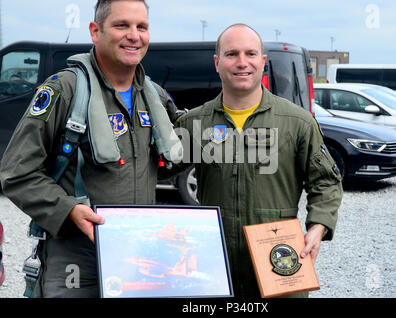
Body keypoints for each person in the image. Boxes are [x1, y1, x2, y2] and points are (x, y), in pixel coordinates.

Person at [0, 0, 179, 297]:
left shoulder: (155, 97)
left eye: (141, 27)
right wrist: (68, 209)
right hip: (76, 260)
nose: (134, 35)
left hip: (138, 258)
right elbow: (17, 172)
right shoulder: (64, 91)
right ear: (95, 31)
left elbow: (176, 157)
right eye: (122, 25)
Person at [174, 24, 343, 297]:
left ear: (262, 62)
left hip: (278, 267)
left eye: (250, 54)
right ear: (217, 63)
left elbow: (325, 181)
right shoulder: (195, 122)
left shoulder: (297, 122)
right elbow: (152, 168)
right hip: (215, 267)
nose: (242, 63)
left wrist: (318, 226)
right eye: (231, 54)